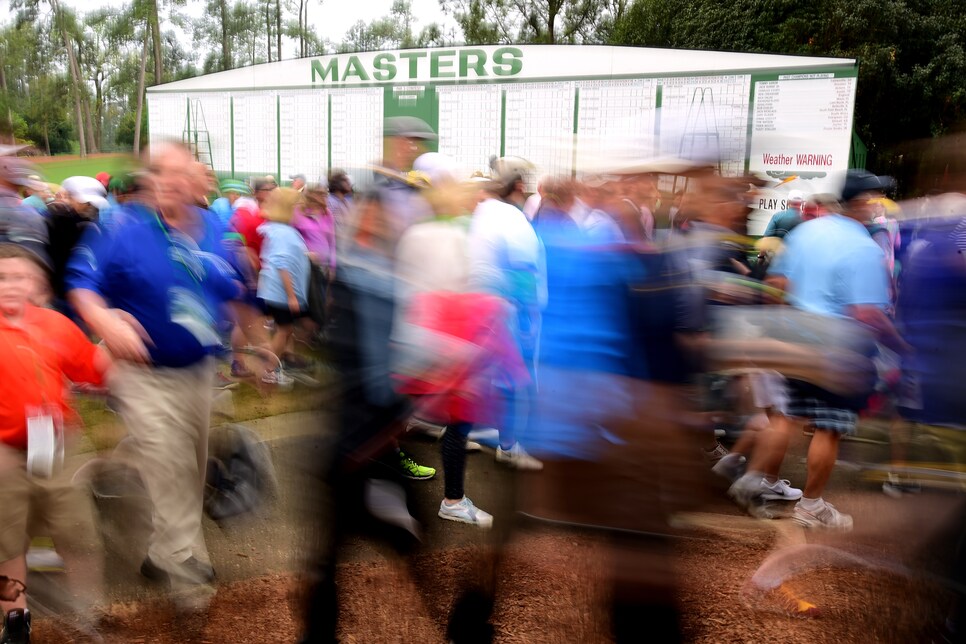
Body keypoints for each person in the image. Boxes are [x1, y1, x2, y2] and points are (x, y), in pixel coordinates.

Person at [66, 142, 248, 606]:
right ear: (150, 179)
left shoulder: (214, 229)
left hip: (200, 370)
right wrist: (104, 320)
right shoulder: (122, 228)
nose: (170, 182)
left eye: (181, 173)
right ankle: (182, 562)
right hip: (141, 372)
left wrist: (258, 347)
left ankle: (126, 506)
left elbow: (233, 290)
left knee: (188, 465)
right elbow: (82, 284)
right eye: (160, 173)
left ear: (198, 180)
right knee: (171, 463)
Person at [768, 170, 908, 530]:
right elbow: (867, 312)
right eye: (873, 197)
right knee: (828, 428)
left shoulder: (805, 231)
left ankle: (764, 484)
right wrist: (901, 344)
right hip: (835, 346)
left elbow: (777, 284)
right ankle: (811, 504)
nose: (877, 204)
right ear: (859, 202)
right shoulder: (863, 246)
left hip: (796, 338)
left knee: (784, 418)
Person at [0, 243, 109, 643]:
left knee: (77, 530)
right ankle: (15, 619)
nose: (10, 285)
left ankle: (88, 613)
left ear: (36, 283)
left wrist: (114, 336)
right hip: (4, 450)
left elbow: (94, 370)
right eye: (1, 278)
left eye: (19, 276)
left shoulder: (54, 324)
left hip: (58, 443)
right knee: (6, 537)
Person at [467, 159, 545, 470]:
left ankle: (473, 432)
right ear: (519, 187)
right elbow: (524, 270)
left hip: (481, 310)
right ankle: (509, 445)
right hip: (506, 314)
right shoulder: (512, 218)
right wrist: (526, 317)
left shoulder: (483, 213)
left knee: (486, 379)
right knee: (512, 383)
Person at [257, 187, 311, 385]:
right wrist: (291, 296)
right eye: (299, 207)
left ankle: (272, 365)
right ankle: (268, 371)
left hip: (275, 291)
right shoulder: (284, 232)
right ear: (289, 208)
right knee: (284, 331)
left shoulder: (279, 229)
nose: (302, 212)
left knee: (285, 331)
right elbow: (281, 262)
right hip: (280, 293)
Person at [292, 183, 336, 334]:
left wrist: (333, 266)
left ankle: (314, 334)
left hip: (324, 266)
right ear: (310, 195)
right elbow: (292, 239)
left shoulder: (327, 213)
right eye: (320, 193)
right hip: (307, 267)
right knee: (310, 302)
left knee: (323, 300)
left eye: (325, 193)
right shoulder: (299, 213)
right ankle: (304, 335)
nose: (324, 196)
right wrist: (305, 253)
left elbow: (332, 241)